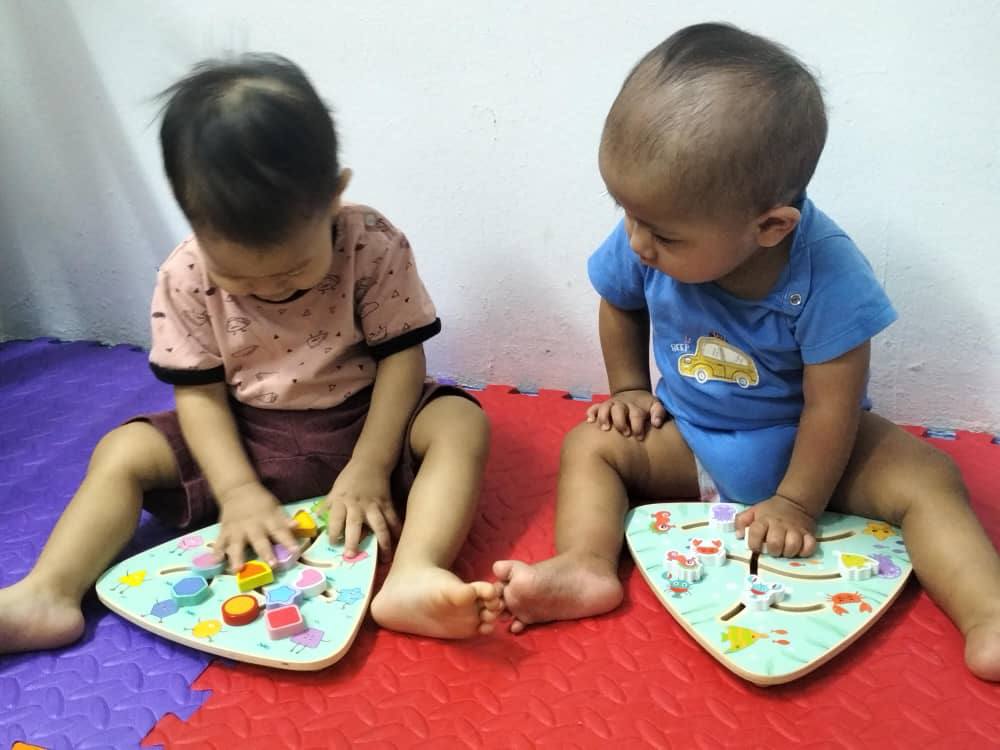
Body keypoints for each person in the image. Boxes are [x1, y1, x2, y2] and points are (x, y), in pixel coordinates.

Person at [494, 23, 1000, 681]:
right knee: (590, 445)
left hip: (811, 451)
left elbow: (831, 409)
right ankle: (586, 564)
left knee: (929, 477)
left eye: (662, 235)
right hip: (691, 438)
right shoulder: (649, 232)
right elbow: (619, 300)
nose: (638, 242)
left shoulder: (831, 276)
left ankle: (987, 612)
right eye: (626, 213)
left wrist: (798, 502)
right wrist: (628, 389)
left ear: (769, 227)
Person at [0, 54, 501, 652]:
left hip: (368, 422)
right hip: (243, 437)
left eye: (294, 269)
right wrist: (236, 490)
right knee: (122, 450)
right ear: (194, 222)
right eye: (238, 276)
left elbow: (402, 359)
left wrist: (371, 464)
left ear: (334, 197)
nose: (271, 290)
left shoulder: (371, 243)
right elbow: (199, 396)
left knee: (460, 422)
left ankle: (415, 572)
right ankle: (48, 593)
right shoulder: (185, 273)